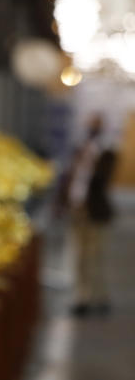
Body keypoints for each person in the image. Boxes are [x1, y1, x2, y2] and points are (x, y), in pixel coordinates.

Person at [60, 115, 116, 316]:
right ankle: (81, 296)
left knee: (95, 255)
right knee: (79, 255)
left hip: (94, 212)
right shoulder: (81, 150)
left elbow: (102, 179)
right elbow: (73, 180)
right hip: (78, 209)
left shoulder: (106, 152)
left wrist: (93, 158)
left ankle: (98, 296)